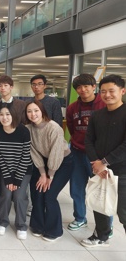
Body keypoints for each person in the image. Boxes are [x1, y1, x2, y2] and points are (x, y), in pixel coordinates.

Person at [82, 74, 126, 247]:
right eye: (103, 91)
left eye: (111, 91)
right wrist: (96, 162)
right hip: (99, 169)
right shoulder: (97, 115)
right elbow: (89, 140)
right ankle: (102, 235)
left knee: (123, 211)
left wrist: (104, 162)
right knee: (99, 204)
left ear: (122, 91)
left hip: (122, 171)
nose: (107, 95)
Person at [25, 99, 73, 242]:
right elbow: (33, 152)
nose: (33, 114)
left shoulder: (54, 127)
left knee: (49, 195)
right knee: (37, 192)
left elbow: (56, 153)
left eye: (36, 111)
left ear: (42, 111)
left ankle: (55, 230)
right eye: (29, 111)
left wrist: (49, 176)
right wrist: (42, 173)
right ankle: (38, 225)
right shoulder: (28, 129)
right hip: (43, 163)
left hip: (62, 162)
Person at [66, 74, 106, 232]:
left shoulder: (103, 104)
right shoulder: (72, 108)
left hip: (99, 156)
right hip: (77, 153)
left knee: (101, 190)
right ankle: (80, 218)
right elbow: (71, 128)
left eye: (86, 86)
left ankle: (104, 226)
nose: (83, 90)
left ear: (93, 86)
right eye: (79, 88)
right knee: (76, 188)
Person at [0, 103, 32, 240]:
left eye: (8, 114)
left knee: (19, 196)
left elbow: (25, 156)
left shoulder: (24, 131)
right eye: (1, 114)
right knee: (5, 195)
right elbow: (0, 157)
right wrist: (8, 178)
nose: (5, 117)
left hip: (23, 171)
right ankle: (2, 222)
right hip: (6, 171)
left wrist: (17, 179)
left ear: (14, 115)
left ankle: (21, 225)